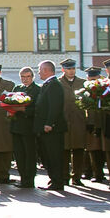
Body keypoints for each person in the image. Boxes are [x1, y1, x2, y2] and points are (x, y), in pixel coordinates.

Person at [33, 60, 67, 193]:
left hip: (53, 128)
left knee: (54, 155)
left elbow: (55, 107)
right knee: (48, 155)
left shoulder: (54, 85)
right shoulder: (48, 84)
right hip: (46, 128)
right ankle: (54, 179)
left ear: (47, 70)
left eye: (40, 70)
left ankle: (58, 181)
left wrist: (49, 123)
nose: (39, 72)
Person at [59, 59, 88, 186]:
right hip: (63, 121)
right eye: (68, 69)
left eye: (73, 69)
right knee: (64, 150)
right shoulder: (58, 83)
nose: (71, 71)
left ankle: (77, 176)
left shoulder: (83, 83)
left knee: (78, 150)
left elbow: (88, 103)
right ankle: (64, 175)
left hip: (79, 121)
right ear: (63, 70)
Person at [10, 66, 40, 188]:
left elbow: (38, 108)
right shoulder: (18, 88)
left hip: (29, 127)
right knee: (19, 154)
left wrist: (24, 109)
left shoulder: (37, 90)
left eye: (27, 77)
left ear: (32, 77)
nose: (25, 79)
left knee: (30, 154)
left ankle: (29, 180)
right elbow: (9, 101)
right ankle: (23, 178)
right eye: (23, 77)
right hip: (16, 126)